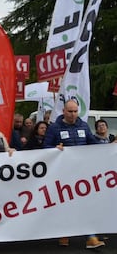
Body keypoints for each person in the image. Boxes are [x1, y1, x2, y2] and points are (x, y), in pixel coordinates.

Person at [43, 99, 104, 249]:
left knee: (85, 203)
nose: (73, 114)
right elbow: (46, 146)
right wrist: (54, 148)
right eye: (70, 111)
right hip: (63, 174)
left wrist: (108, 147)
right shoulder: (54, 128)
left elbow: (91, 142)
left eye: (75, 111)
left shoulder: (83, 125)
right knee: (65, 203)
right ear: (63, 111)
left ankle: (91, 237)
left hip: (82, 173)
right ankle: (64, 233)